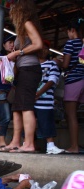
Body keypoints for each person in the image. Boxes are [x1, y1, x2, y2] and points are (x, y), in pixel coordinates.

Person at [3, 0, 43, 153]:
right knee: (17, 107)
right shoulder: (22, 29)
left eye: (13, 11)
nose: (11, 15)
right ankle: (15, 141)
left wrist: (17, 52)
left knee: (26, 106)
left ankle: (29, 143)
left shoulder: (27, 23)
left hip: (30, 69)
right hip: (23, 70)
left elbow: (38, 44)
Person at [35, 40, 64, 154]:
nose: (43, 50)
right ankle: (31, 145)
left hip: (45, 101)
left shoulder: (52, 64)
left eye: (46, 48)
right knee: (31, 124)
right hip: (32, 100)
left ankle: (50, 145)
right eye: (41, 47)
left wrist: (38, 93)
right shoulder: (32, 64)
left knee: (46, 122)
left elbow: (52, 80)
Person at [61, 19, 84, 154]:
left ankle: (74, 146)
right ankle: (76, 145)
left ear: (72, 30)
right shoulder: (82, 43)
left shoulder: (70, 43)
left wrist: (57, 62)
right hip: (82, 79)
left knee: (71, 115)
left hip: (73, 80)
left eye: (68, 32)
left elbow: (65, 64)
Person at [0, 34, 16, 149]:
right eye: (9, 42)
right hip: (1, 89)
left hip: (11, 90)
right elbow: (3, 68)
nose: (12, 44)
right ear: (3, 45)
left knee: (12, 116)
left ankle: (4, 140)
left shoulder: (16, 58)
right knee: (5, 116)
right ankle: (0, 139)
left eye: (13, 42)